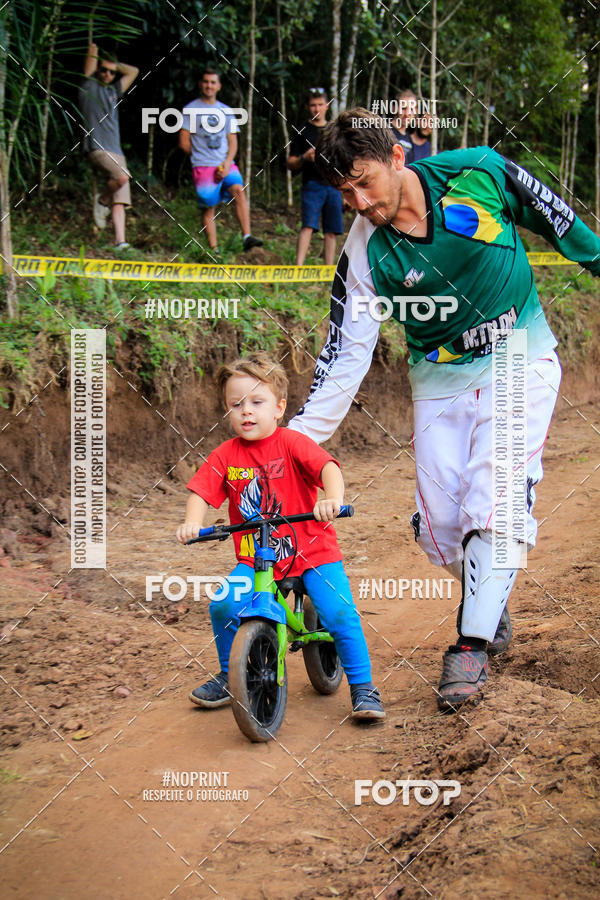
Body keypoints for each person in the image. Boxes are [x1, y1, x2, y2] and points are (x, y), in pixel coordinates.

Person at [288, 108, 600, 711]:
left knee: (495, 493)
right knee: (438, 529)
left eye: (365, 181)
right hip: (438, 382)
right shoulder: (363, 252)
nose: (358, 200)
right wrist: (295, 442)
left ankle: (471, 645)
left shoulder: (480, 172)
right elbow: (344, 355)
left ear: (399, 157)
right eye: (344, 191)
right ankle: (492, 599)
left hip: (519, 356)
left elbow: (560, 221)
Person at [175, 353, 385, 721]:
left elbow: (328, 468)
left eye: (257, 402)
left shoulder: (292, 442)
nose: (246, 412)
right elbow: (202, 493)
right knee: (223, 605)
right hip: (257, 560)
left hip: (313, 551)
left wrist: (332, 499)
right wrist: (193, 522)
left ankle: (364, 687)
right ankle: (231, 675)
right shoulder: (225, 456)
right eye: (236, 404)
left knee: (338, 612)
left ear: (279, 408)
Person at [179, 69, 262, 255]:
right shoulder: (191, 109)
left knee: (238, 191)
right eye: (206, 81)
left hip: (225, 162)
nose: (209, 85)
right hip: (202, 165)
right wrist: (201, 157)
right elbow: (183, 141)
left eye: (213, 82)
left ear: (218, 86)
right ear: (201, 84)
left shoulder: (225, 111)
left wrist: (227, 162)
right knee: (209, 206)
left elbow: (233, 141)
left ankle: (247, 236)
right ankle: (213, 249)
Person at [78, 42, 139, 251]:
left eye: (111, 72)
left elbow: (134, 71)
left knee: (120, 200)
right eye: (103, 70)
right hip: (98, 149)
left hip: (116, 151)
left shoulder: (114, 91)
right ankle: (102, 200)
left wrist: (114, 64)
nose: (107, 75)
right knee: (122, 177)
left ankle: (119, 242)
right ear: (97, 69)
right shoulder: (89, 87)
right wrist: (95, 51)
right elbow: (91, 57)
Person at [288, 88, 344, 265]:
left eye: (320, 104)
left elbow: (343, 161)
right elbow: (290, 163)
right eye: (313, 105)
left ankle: (328, 271)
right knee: (308, 226)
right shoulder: (301, 130)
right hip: (312, 185)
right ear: (307, 107)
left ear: (327, 106)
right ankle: (298, 268)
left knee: (331, 231)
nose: (316, 109)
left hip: (334, 186)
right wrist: (305, 157)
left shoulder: (335, 130)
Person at [390, 89, 417, 165]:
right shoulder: (383, 131)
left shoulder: (409, 139)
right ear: (395, 108)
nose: (408, 113)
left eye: (411, 109)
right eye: (404, 108)